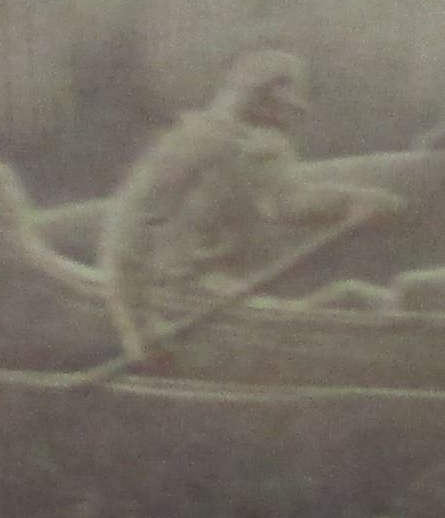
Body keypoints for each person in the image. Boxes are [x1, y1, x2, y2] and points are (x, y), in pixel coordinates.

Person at [100, 51, 400, 356]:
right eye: (285, 105)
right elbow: (131, 224)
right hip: (174, 301)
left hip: (216, 292)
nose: (292, 117)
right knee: (338, 309)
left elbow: (285, 202)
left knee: (352, 296)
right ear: (261, 97)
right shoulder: (193, 144)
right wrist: (136, 327)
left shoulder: (259, 144)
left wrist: (354, 202)